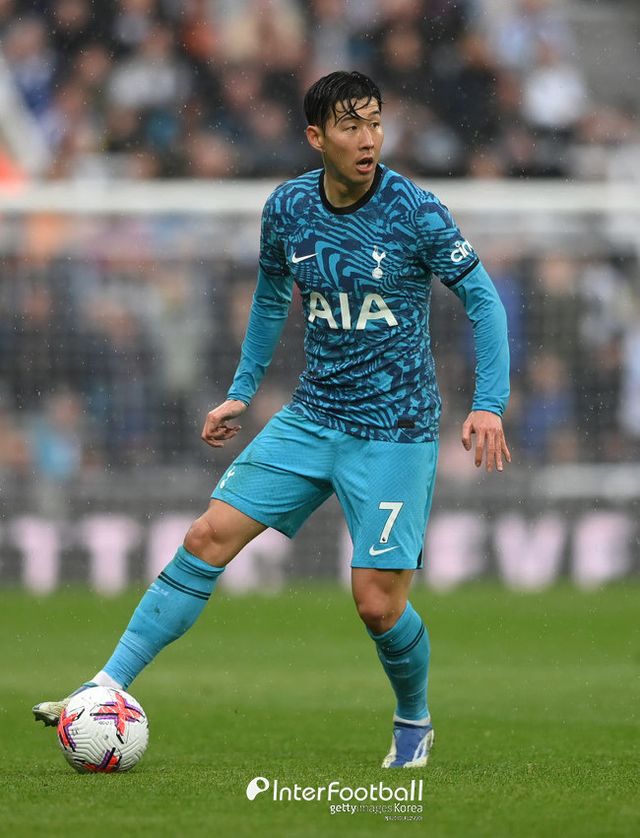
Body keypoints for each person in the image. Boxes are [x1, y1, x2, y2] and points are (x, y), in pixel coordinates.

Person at [33, 71, 511, 768]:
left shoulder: (416, 210)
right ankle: (104, 686)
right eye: (350, 126)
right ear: (316, 136)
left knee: (377, 605)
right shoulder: (287, 208)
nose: (368, 139)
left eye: (375, 123)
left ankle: (414, 720)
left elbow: (485, 301)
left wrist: (489, 402)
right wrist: (241, 389)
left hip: (395, 430)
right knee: (206, 536)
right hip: (311, 416)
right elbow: (268, 298)